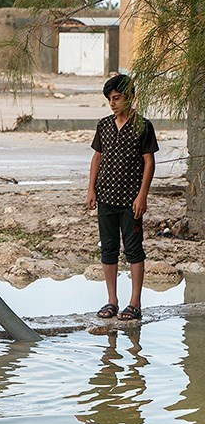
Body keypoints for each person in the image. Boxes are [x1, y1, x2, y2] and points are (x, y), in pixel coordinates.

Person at [86, 74, 158, 322]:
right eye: (110, 99)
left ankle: (135, 303)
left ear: (130, 97)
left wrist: (142, 196)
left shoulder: (143, 126)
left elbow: (149, 162)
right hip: (106, 196)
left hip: (131, 200)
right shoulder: (104, 125)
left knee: (134, 250)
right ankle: (112, 301)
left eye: (117, 98)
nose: (113, 103)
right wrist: (91, 189)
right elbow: (97, 158)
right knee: (108, 249)